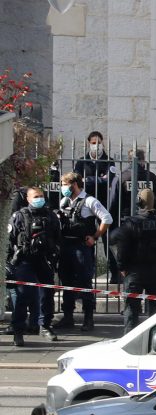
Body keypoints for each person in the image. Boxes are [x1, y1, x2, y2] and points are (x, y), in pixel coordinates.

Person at [54, 172, 113, 332]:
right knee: (66, 281)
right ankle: (67, 317)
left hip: (81, 247)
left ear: (74, 184)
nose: (63, 188)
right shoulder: (64, 201)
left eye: (65, 184)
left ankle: (88, 318)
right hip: (66, 246)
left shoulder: (89, 201)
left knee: (84, 282)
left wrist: (95, 236)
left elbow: (107, 218)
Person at [6, 187, 61, 346]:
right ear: (28, 199)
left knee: (47, 295)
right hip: (25, 260)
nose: (39, 199)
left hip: (44, 260)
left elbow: (58, 238)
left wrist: (55, 254)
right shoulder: (19, 216)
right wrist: (10, 263)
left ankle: (45, 326)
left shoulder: (51, 216)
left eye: (41, 196)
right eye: (36, 196)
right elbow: (10, 240)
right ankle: (18, 331)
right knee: (24, 295)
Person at [110, 188, 156, 334]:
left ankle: (130, 342)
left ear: (139, 202)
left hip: (134, 271)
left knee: (131, 310)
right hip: (155, 270)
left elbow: (119, 244)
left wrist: (121, 266)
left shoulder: (132, 223)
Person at [74, 131, 120, 283]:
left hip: (104, 205)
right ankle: (88, 273)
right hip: (86, 205)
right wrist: (99, 179)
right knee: (88, 239)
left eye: (98, 142)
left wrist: (89, 180)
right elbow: (78, 182)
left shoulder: (109, 161)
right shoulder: (82, 162)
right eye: (93, 143)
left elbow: (110, 181)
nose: (96, 145)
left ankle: (115, 273)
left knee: (109, 240)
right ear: (88, 144)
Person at [113, 149, 156, 219]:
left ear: (129, 161)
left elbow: (113, 202)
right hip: (147, 218)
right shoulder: (152, 177)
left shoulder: (122, 177)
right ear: (143, 161)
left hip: (126, 219)